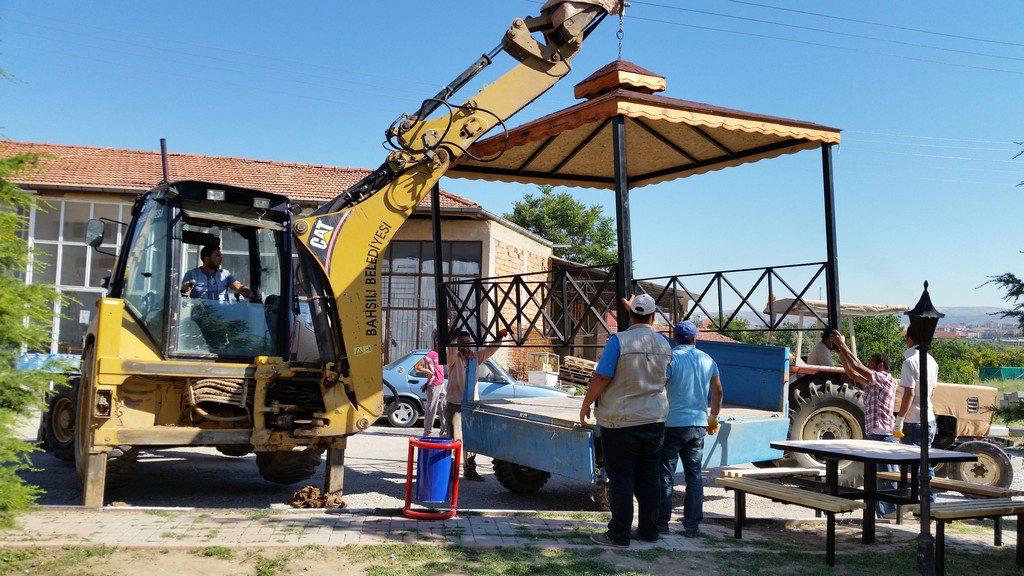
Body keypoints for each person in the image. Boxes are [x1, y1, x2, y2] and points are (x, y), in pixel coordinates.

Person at [579, 294, 672, 548]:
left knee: (621, 478)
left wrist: (586, 404)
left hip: (621, 422)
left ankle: (619, 534)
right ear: (653, 316)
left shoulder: (618, 341)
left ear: (630, 315)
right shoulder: (664, 345)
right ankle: (649, 531)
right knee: (649, 477)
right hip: (654, 420)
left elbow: (602, 377)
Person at [658, 321, 723, 538]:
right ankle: (692, 527)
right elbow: (718, 391)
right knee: (694, 476)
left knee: (666, 474)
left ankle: (662, 524)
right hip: (697, 426)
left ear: (675, 338)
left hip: (671, 425)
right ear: (695, 339)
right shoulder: (707, 359)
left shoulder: (670, 359)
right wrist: (713, 417)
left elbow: (658, 387)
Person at [827, 328, 899, 518]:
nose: (868, 366)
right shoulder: (875, 382)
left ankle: (894, 512)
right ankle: (880, 515)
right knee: (875, 477)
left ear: (880, 366)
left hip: (884, 435)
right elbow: (851, 371)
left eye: (871, 364)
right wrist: (840, 351)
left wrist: (843, 345)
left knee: (889, 477)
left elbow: (857, 367)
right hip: (875, 434)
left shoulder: (885, 379)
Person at [443, 327, 509, 481]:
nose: (466, 345)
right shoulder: (453, 359)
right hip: (455, 404)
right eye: (462, 342)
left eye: (468, 342)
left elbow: (490, 350)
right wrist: (452, 339)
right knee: (455, 438)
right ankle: (452, 470)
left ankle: (469, 469)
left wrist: (499, 338)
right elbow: (451, 351)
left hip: (471, 404)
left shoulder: (474, 358)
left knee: (471, 438)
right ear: (458, 344)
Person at [894, 323, 939, 501]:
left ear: (908, 338)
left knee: (911, 465)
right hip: (929, 417)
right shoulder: (932, 360)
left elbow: (909, 394)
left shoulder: (909, 361)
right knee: (925, 464)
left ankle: (910, 503)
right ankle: (929, 503)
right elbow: (932, 391)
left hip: (913, 419)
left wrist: (899, 419)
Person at [181, 245, 258, 302]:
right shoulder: (192, 274)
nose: (221, 258)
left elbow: (238, 286)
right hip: (200, 317)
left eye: (221, 255)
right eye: (218, 255)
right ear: (207, 258)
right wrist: (187, 288)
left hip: (222, 316)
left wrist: (249, 294)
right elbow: (184, 295)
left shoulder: (225, 274)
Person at [414, 331, 446, 437]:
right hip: (433, 385)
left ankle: (444, 431)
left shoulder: (441, 353)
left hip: (441, 384)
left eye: (440, 340)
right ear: (435, 342)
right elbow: (417, 366)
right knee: (431, 408)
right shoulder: (431, 354)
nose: (438, 342)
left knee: (443, 406)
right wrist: (428, 372)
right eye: (437, 340)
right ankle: (427, 432)